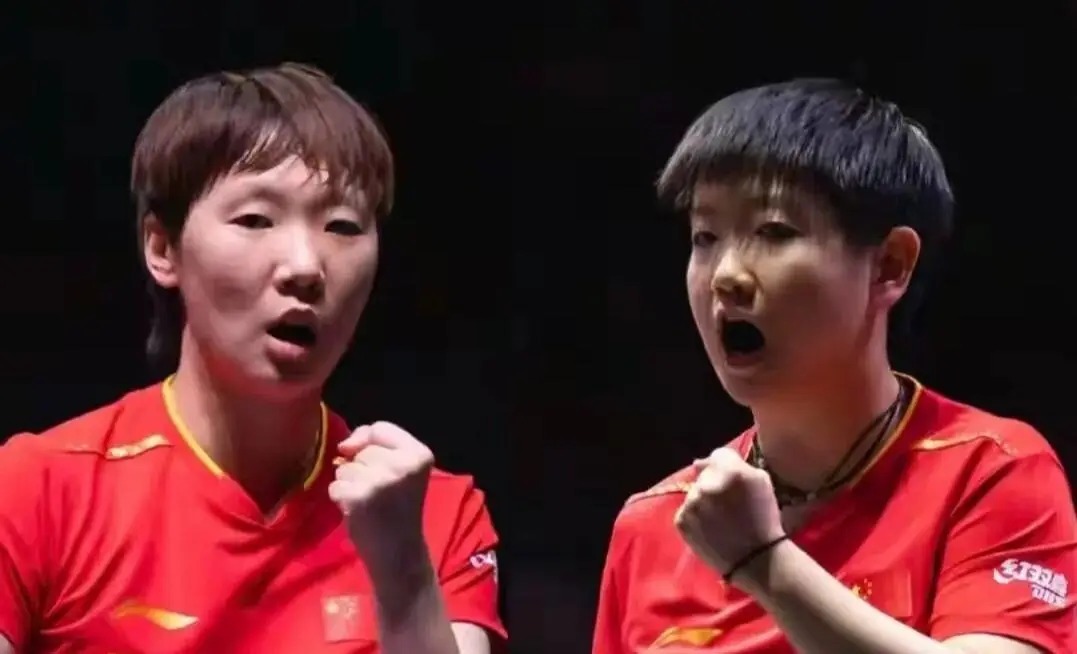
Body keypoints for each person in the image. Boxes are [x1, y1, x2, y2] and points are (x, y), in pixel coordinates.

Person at [0, 63, 504, 654]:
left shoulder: (430, 516)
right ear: (162, 248)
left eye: (343, 226)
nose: (305, 267)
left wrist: (404, 576)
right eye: (255, 220)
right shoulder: (36, 490)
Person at [592, 79, 1075, 654]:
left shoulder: (989, 470)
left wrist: (764, 563)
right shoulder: (654, 524)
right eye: (705, 237)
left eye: (774, 232)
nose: (725, 275)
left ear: (890, 265)